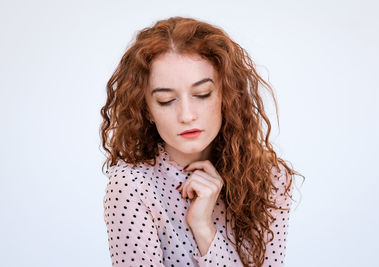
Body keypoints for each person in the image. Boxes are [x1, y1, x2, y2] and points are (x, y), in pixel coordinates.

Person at [100, 16, 304, 267]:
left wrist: (204, 228)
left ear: (228, 96)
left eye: (202, 94)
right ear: (147, 111)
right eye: (165, 100)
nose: (186, 115)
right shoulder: (132, 185)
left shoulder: (271, 178)